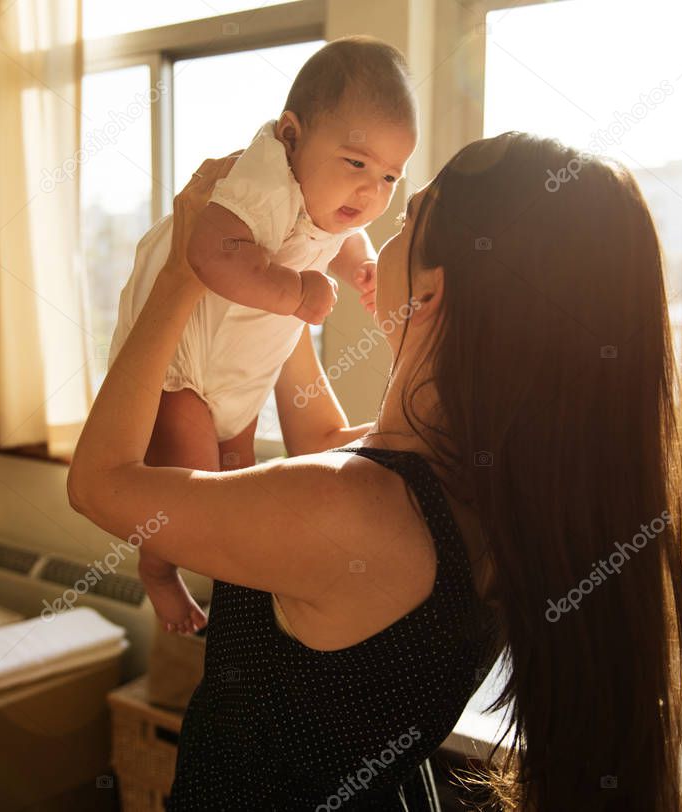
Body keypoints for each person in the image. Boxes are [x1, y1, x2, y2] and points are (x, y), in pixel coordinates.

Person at [69, 130, 682, 810]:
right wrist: (277, 276)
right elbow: (318, 436)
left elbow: (99, 483)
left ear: (430, 294)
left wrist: (182, 272)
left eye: (407, 217)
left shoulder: (349, 510)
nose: (381, 229)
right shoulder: (478, 486)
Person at [106, 36, 418, 633]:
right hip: (186, 367)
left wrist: (360, 268)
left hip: (240, 372)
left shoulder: (326, 200)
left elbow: (344, 238)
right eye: (356, 163)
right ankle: (157, 569)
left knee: (237, 481)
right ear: (293, 136)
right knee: (188, 493)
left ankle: (234, 611)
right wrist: (296, 293)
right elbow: (209, 251)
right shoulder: (265, 180)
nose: (369, 192)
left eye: (389, 177)